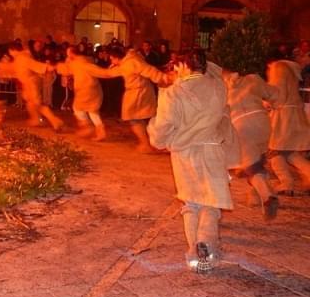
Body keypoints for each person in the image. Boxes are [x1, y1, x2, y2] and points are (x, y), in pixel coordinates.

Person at [148, 50, 237, 274]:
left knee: (191, 204)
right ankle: (206, 243)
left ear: (183, 66)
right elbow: (217, 72)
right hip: (213, 150)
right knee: (211, 203)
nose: (174, 71)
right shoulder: (218, 86)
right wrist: (202, 62)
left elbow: (163, 128)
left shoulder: (172, 93)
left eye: (176, 66)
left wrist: (155, 135)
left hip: (186, 154)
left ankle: (194, 256)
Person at [216, 64, 279, 219]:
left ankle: (267, 196)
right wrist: (268, 103)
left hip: (241, 127)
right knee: (259, 159)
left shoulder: (220, 90)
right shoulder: (253, 79)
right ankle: (254, 197)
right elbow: (275, 94)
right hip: (262, 122)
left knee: (251, 166)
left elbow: (219, 115)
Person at [104, 45, 169, 152]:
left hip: (140, 92)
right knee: (139, 118)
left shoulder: (132, 62)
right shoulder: (126, 63)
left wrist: (164, 78)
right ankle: (149, 143)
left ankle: (149, 144)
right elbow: (110, 73)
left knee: (137, 118)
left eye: (112, 57)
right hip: (135, 92)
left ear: (117, 56)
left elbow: (150, 70)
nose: (110, 59)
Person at [266, 60, 310, 195]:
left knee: (274, 151)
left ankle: (286, 182)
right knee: (289, 152)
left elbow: (278, 93)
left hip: (284, 117)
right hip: (295, 114)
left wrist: (268, 102)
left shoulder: (278, 68)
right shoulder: (291, 69)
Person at [55, 46, 109, 140]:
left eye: (68, 53)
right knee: (90, 111)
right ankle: (99, 131)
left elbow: (65, 70)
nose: (67, 55)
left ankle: (89, 128)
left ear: (72, 53)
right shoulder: (84, 61)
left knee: (79, 109)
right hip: (90, 90)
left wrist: (58, 66)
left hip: (86, 91)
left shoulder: (80, 63)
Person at [5, 44, 63, 130]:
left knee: (37, 104)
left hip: (31, 84)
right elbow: (15, 69)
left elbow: (35, 65)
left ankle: (55, 121)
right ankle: (36, 119)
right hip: (28, 84)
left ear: (13, 50)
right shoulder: (19, 59)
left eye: (10, 51)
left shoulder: (23, 58)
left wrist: (47, 67)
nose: (10, 53)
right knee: (30, 104)